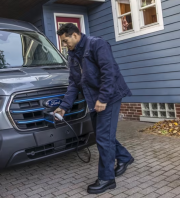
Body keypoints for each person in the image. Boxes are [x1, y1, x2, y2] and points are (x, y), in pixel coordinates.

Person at [54, 23, 134, 194]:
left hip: (110, 96)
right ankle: (124, 157)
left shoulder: (97, 44)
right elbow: (74, 84)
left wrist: (103, 98)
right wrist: (63, 107)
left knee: (104, 138)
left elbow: (109, 72)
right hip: (94, 100)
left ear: (75, 35)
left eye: (66, 40)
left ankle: (107, 179)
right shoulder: (73, 55)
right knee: (102, 135)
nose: (65, 45)